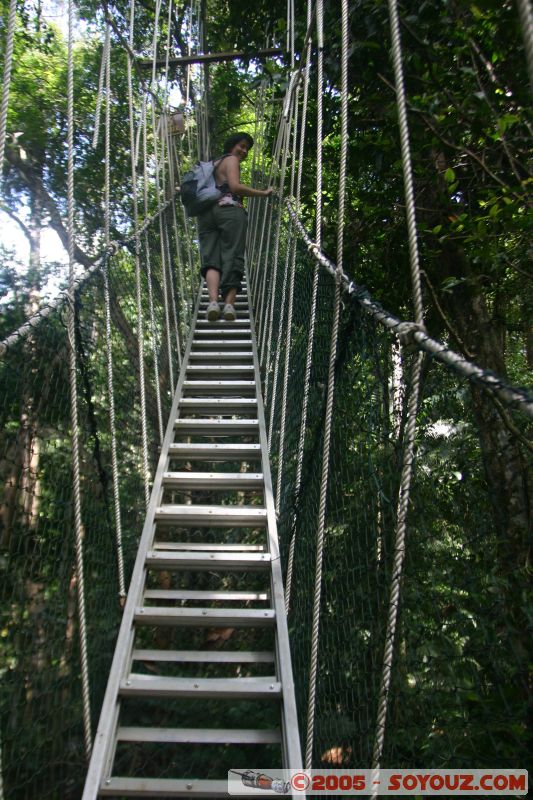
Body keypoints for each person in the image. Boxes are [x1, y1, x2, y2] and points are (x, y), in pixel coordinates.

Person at [197, 132, 272, 321]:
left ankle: (213, 302)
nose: (244, 151)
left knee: (211, 259)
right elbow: (235, 187)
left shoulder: (212, 165)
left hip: (206, 213)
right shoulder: (231, 160)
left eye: (247, 148)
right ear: (232, 145)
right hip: (229, 211)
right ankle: (229, 306)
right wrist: (263, 193)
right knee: (232, 255)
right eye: (242, 146)